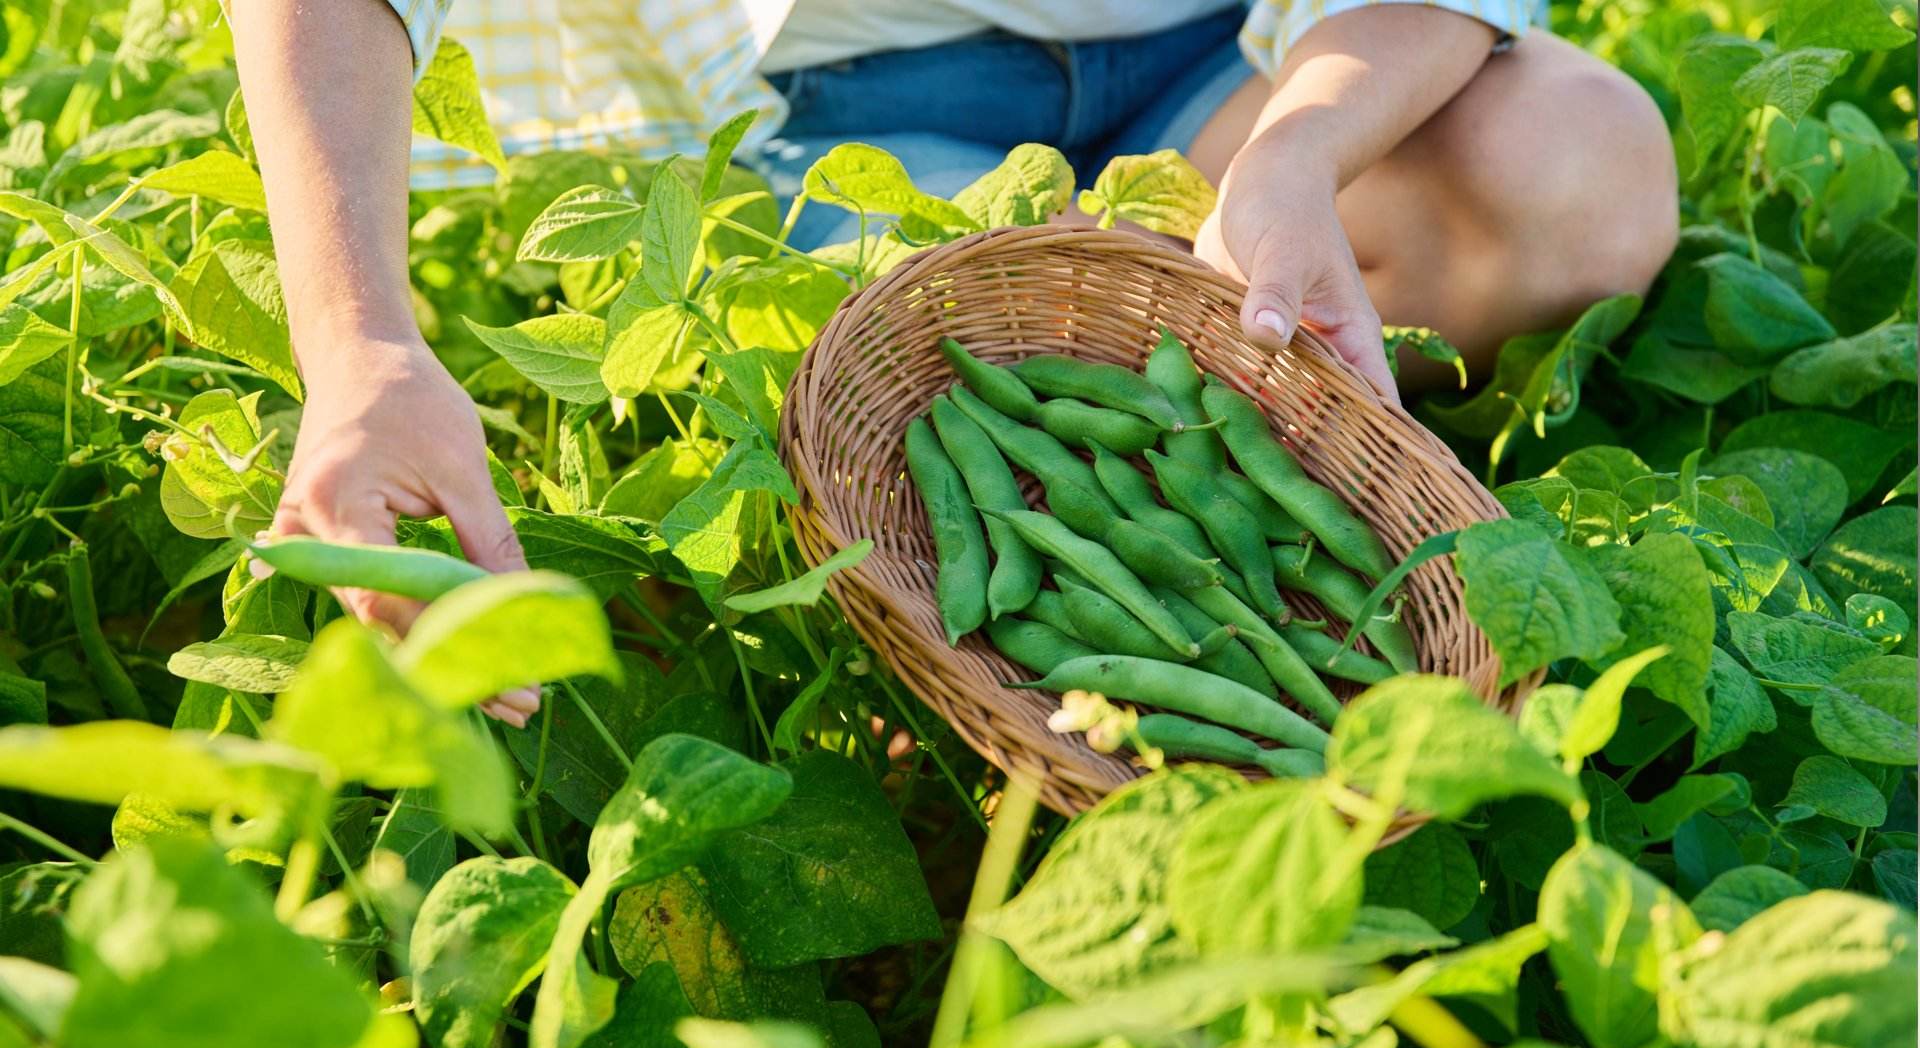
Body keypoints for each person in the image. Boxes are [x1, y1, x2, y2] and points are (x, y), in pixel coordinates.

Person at [230, 1, 1677, 722]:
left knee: (1577, 164)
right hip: (835, 111)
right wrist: (358, 346)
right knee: (904, 406)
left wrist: (1297, 156)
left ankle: (1268, 435)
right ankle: (1193, 452)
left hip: (1239, 62)